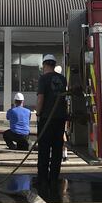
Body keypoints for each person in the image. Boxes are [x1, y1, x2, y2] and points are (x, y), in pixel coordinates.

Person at [35, 54, 68, 192]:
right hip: (60, 118)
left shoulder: (43, 79)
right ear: (54, 64)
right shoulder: (63, 79)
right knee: (56, 150)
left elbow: (41, 98)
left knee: (44, 150)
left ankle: (43, 180)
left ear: (44, 65)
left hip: (46, 119)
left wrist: (37, 112)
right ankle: (54, 178)